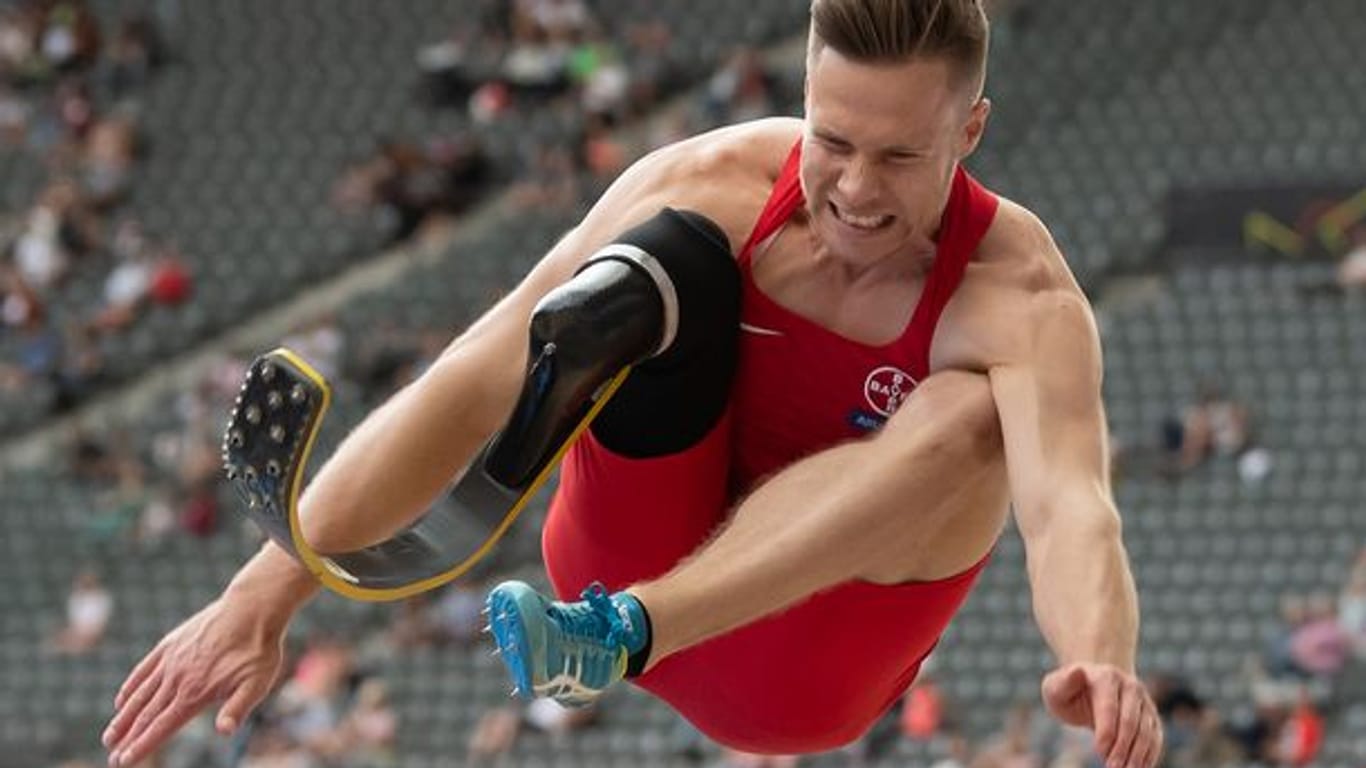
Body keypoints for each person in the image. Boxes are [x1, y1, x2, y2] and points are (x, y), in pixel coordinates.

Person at [103, 2, 1162, 767]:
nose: (852, 189)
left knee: (975, 414)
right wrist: (261, 595)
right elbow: (478, 367)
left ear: (969, 133)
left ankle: (618, 637)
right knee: (653, 269)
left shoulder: (1018, 293)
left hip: (800, 669)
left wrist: (1100, 660)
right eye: (833, 141)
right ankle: (594, 579)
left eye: (898, 157)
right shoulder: (712, 179)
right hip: (620, 554)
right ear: (802, 99)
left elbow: (1070, 506)